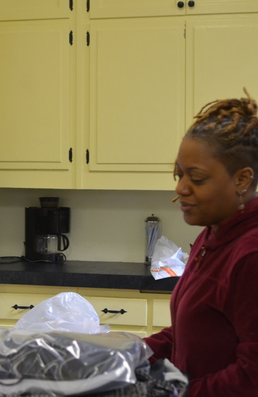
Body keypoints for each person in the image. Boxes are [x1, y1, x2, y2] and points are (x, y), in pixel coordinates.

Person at [144, 89, 258, 396]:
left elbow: (253, 377)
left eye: (196, 178)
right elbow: (191, 334)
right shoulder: (212, 235)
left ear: (242, 180)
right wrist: (125, 356)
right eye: (179, 174)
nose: (181, 188)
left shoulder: (251, 255)